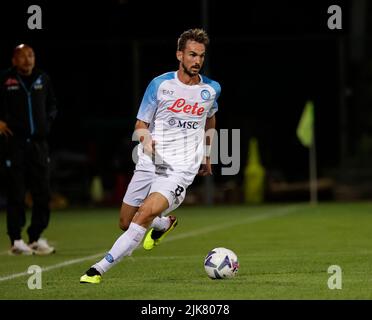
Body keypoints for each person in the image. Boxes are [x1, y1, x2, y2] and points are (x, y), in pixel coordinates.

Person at [80, 28, 221, 284]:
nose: (197, 61)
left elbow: (210, 120)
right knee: (126, 222)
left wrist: (207, 154)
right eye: (192, 54)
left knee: (143, 213)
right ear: (179, 54)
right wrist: (146, 142)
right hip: (150, 162)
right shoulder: (160, 84)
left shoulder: (211, 89)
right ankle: (163, 224)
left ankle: (98, 269)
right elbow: (140, 124)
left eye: (201, 55)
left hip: (180, 169)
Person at [0, 44, 57, 255]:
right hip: (14, 144)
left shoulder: (43, 78)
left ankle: (35, 237)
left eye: (31, 55)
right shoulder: (5, 80)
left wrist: (47, 122)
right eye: (22, 56)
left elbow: (52, 104)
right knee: (16, 192)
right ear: (14, 60)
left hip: (39, 145)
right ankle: (16, 240)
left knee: (42, 192)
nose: (27, 59)